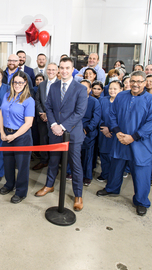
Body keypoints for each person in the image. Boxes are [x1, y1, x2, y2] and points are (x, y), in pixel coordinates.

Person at [96, 71, 152, 216]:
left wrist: (133, 137)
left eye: (139, 81)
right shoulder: (121, 96)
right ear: (129, 82)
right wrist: (117, 132)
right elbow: (112, 115)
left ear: (145, 83)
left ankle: (141, 201)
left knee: (141, 173)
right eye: (133, 81)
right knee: (116, 166)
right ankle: (112, 188)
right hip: (120, 140)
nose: (135, 84)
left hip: (140, 144)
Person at [35, 57, 88, 212]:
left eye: (67, 68)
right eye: (62, 68)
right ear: (59, 69)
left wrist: (62, 126)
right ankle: (49, 185)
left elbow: (80, 112)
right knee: (53, 161)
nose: (64, 71)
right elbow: (49, 107)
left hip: (73, 133)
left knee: (75, 164)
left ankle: (78, 195)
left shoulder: (80, 89)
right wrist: (53, 125)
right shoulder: (54, 86)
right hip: (55, 132)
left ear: (72, 70)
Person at [0, 71, 35, 203]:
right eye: (15, 82)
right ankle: (9, 185)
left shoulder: (29, 101)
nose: (17, 85)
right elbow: (1, 113)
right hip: (6, 135)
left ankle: (21, 192)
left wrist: (13, 136)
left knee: (22, 166)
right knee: (8, 163)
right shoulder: (7, 95)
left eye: (20, 82)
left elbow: (28, 123)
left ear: (25, 83)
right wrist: (2, 132)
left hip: (21, 137)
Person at [33, 62, 59, 171]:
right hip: (42, 118)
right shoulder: (42, 84)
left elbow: (61, 104)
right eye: (49, 69)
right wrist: (41, 113)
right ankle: (43, 161)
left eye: (53, 70)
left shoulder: (61, 84)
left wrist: (50, 115)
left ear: (57, 71)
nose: (51, 72)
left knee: (54, 142)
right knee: (43, 140)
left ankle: (54, 165)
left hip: (56, 120)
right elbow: (37, 100)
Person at [96, 80, 123, 182]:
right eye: (110, 88)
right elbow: (98, 115)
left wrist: (111, 129)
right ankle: (105, 173)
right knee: (104, 154)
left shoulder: (123, 102)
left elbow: (123, 119)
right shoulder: (103, 100)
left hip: (116, 134)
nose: (112, 91)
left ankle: (114, 177)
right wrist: (103, 127)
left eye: (115, 89)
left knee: (114, 157)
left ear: (121, 89)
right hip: (103, 132)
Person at [78, 80, 101, 186]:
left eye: (85, 88)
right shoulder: (74, 100)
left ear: (90, 89)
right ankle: (71, 172)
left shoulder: (94, 101)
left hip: (88, 133)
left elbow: (96, 118)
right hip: (75, 131)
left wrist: (87, 129)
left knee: (88, 156)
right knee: (75, 155)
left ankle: (87, 176)